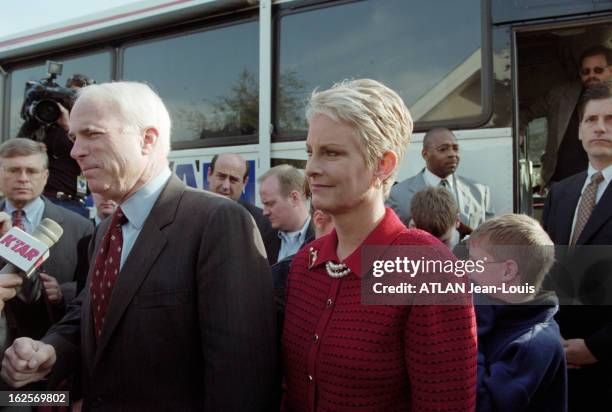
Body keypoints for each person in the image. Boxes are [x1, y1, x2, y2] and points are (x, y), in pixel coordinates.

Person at [1, 82, 277, 410]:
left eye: (92, 134)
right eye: (74, 138)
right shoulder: (105, 231)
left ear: (147, 139)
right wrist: (51, 349)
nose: (75, 151)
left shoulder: (217, 222)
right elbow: (91, 313)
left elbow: (241, 376)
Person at [282, 79, 477, 410]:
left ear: (382, 165)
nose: (312, 168)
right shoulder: (305, 264)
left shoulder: (426, 269)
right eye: (310, 152)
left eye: (331, 153)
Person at [542, 82, 612, 411]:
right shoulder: (560, 193)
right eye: (591, 119)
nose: (600, 127)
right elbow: (544, 273)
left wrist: (597, 347)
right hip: (559, 358)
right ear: (580, 131)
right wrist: (544, 336)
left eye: (611, 119)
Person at [468, 214, 566, 412]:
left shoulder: (534, 344)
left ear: (508, 272)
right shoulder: (501, 316)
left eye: (475, 262)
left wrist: (470, 335)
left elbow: (483, 403)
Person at [0, 138, 92, 344]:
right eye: (13, 170)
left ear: (45, 176)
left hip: (50, 344)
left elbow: (90, 287)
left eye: (31, 171)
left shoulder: (80, 226)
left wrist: (63, 291)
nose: (23, 178)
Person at [521, 45, 612, 189]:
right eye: (585, 71)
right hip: (561, 182)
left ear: (610, 70)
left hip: (606, 183)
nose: (591, 75)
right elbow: (525, 112)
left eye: (598, 70)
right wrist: (519, 130)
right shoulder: (560, 95)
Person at [387, 127, 493, 234]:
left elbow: (490, 237)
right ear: (425, 154)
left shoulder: (480, 192)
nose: (452, 154)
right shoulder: (397, 194)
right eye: (443, 149)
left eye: (455, 148)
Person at [17, 73, 96, 218]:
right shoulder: (45, 122)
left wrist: (68, 127)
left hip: (73, 204)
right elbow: (19, 150)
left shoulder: (90, 127)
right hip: (41, 201)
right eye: (70, 97)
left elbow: (92, 154)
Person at [206, 152, 276, 262]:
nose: (226, 186)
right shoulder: (188, 215)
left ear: (244, 182)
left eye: (233, 180)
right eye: (221, 176)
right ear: (209, 174)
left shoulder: (262, 223)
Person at [258, 164, 314, 264]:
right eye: (264, 205)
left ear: (294, 198)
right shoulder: (263, 240)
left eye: (270, 204)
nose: (264, 212)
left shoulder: (322, 238)